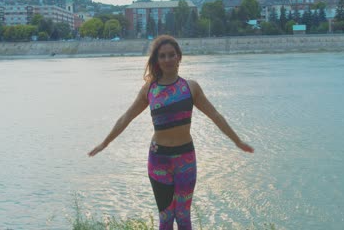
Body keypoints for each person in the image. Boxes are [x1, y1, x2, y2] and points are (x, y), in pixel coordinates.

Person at [88, 35, 254, 229]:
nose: (167, 59)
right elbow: (126, 117)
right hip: (159, 159)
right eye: (162, 56)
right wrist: (105, 143)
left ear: (179, 57)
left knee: (183, 217)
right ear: (157, 60)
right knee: (166, 217)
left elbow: (215, 116)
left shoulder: (190, 88)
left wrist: (237, 141)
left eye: (171, 55)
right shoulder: (150, 89)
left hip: (185, 159)